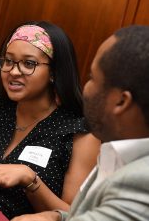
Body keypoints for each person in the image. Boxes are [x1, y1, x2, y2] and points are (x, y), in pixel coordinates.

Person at [0, 21, 100, 219]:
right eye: (8, 61)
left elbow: (73, 215)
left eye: (29, 64)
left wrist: (30, 179)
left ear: (54, 72)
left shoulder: (79, 132)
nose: (13, 71)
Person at [11, 25, 149, 221]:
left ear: (121, 101)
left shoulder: (141, 182)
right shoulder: (118, 154)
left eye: (93, 78)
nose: (85, 89)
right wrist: (58, 217)